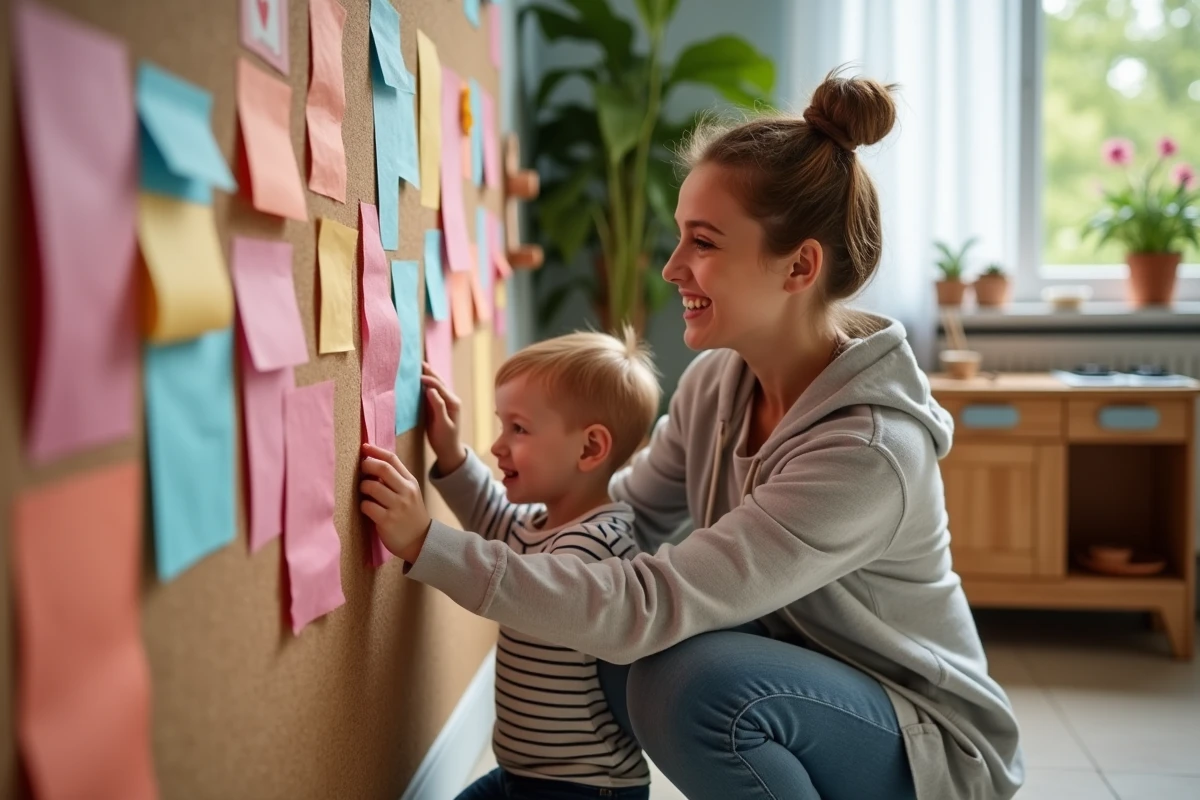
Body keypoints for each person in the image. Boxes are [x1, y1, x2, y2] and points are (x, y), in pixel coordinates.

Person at [361, 69, 1024, 800]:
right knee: (622, 647)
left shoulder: (867, 452)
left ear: (800, 265)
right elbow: (607, 525)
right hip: (797, 686)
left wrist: (432, 548)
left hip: (920, 741)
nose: (673, 267)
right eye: (680, 238)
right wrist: (460, 469)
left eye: (703, 243)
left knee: (690, 682)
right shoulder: (718, 384)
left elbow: (647, 605)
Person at [366, 330, 661, 800]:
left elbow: (511, 576)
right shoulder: (538, 524)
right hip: (522, 776)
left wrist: (423, 540)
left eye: (518, 429)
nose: (498, 445)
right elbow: (495, 521)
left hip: (585, 788)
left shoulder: (598, 549)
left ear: (589, 449)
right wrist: (451, 452)